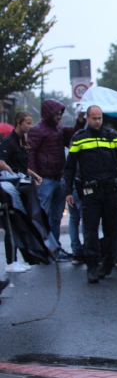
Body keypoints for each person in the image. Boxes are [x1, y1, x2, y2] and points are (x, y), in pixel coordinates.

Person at [64, 106, 117, 284]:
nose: (97, 121)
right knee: (90, 230)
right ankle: (92, 267)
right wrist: (68, 191)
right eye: (94, 118)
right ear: (87, 118)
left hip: (111, 190)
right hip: (90, 191)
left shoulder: (112, 136)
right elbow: (70, 167)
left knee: (111, 230)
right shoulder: (79, 138)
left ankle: (108, 262)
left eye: (99, 118)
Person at [27, 99, 85, 261]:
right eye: (57, 114)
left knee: (55, 217)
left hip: (58, 178)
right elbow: (30, 154)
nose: (59, 117)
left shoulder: (59, 129)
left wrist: (80, 120)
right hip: (44, 179)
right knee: (43, 216)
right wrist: (35, 176)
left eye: (60, 114)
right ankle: (43, 249)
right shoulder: (38, 130)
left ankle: (54, 249)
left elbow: (75, 134)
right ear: (49, 114)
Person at [0, 111, 43, 271]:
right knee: (12, 224)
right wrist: (15, 177)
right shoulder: (8, 142)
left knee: (19, 224)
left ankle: (15, 260)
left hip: (21, 187)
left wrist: (34, 175)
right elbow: (2, 163)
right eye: (28, 123)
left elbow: (22, 166)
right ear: (18, 122)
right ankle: (10, 262)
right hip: (10, 188)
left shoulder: (22, 142)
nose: (30, 127)